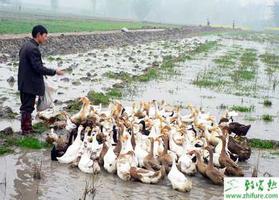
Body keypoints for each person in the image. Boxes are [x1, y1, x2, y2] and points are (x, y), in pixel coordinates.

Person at [18, 25, 64, 134]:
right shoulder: (33, 49)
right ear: (38, 35)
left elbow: (32, 65)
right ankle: (26, 130)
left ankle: (27, 128)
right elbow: (38, 67)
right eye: (45, 36)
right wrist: (54, 71)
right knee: (27, 107)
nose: (46, 38)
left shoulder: (26, 45)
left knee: (27, 106)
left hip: (24, 81)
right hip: (30, 83)